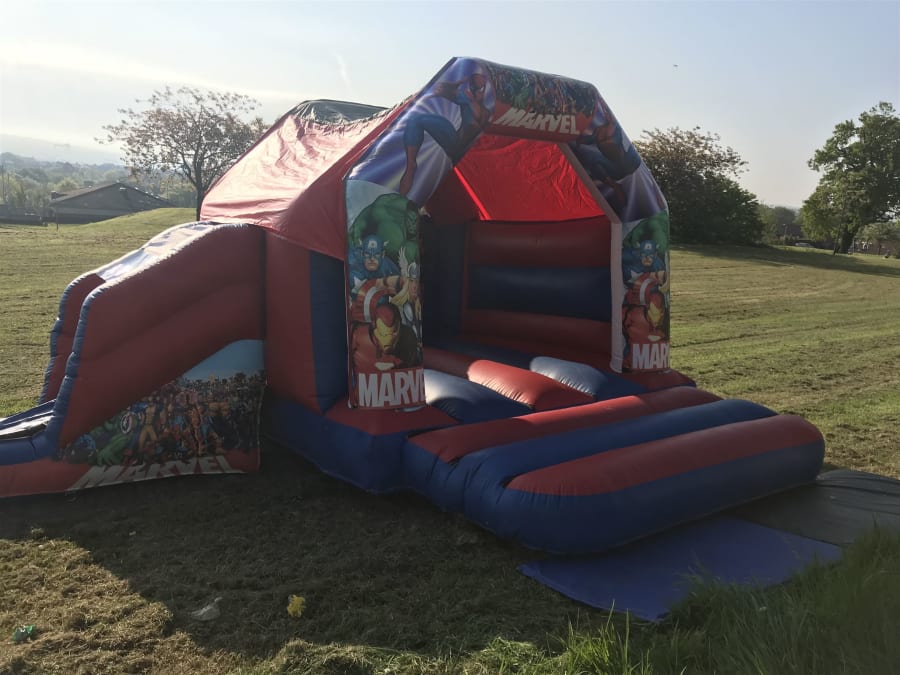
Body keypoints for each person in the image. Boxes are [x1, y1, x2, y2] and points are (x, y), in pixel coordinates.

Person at [398, 73, 492, 195]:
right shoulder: (467, 100)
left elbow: (481, 125)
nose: (479, 92)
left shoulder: (485, 111)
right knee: (415, 120)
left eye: (481, 88)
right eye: (475, 88)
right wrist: (457, 83)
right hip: (457, 143)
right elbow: (441, 88)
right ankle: (411, 164)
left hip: (467, 150)